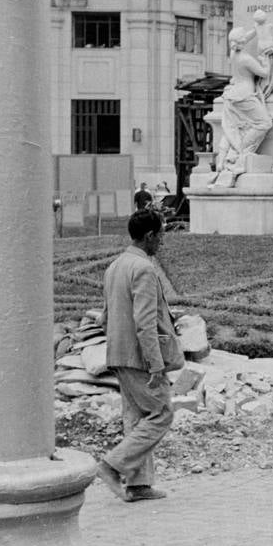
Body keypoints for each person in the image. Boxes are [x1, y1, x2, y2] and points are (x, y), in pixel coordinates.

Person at [95, 209, 177, 503]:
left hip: (118, 352)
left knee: (136, 416)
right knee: (161, 413)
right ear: (150, 236)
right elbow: (145, 322)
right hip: (138, 356)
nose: (163, 242)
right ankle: (111, 465)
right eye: (162, 235)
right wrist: (156, 364)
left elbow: (105, 316)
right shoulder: (143, 269)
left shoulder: (115, 266)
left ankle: (138, 485)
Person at [211, 23, 273, 189]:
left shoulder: (234, 53)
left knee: (234, 126)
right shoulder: (246, 59)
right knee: (264, 123)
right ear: (241, 42)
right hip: (245, 96)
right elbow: (264, 73)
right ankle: (241, 151)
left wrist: (257, 29)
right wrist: (266, 58)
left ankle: (226, 157)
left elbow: (243, 38)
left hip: (232, 95)